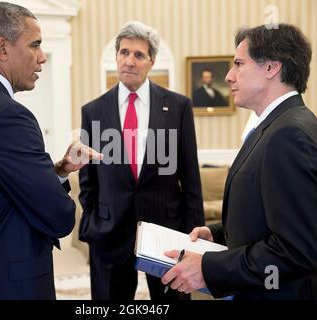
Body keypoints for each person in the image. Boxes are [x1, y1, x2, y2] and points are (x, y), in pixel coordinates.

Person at [0, 2, 101, 300]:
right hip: (6, 283)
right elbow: (59, 217)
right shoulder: (9, 115)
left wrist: (59, 171)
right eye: (35, 45)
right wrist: (58, 192)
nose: (42, 57)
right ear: (2, 48)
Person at [162, 23, 317, 300]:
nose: (229, 76)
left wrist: (208, 267)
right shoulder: (276, 126)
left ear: (271, 68)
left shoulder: (289, 134)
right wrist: (217, 235)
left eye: (239, 64)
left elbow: (296, 250)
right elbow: (266, 219)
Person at [78, 21, 204, 300]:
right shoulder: (93, 111)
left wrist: (193, 237)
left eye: (138, 55)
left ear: (152, 61)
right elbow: (88, 181)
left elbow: (191, 178)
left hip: (166, 233)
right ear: (116, 57)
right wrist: (92, 222)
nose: (129, 61)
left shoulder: (178, 106)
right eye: (124, 53)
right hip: (109, 233)